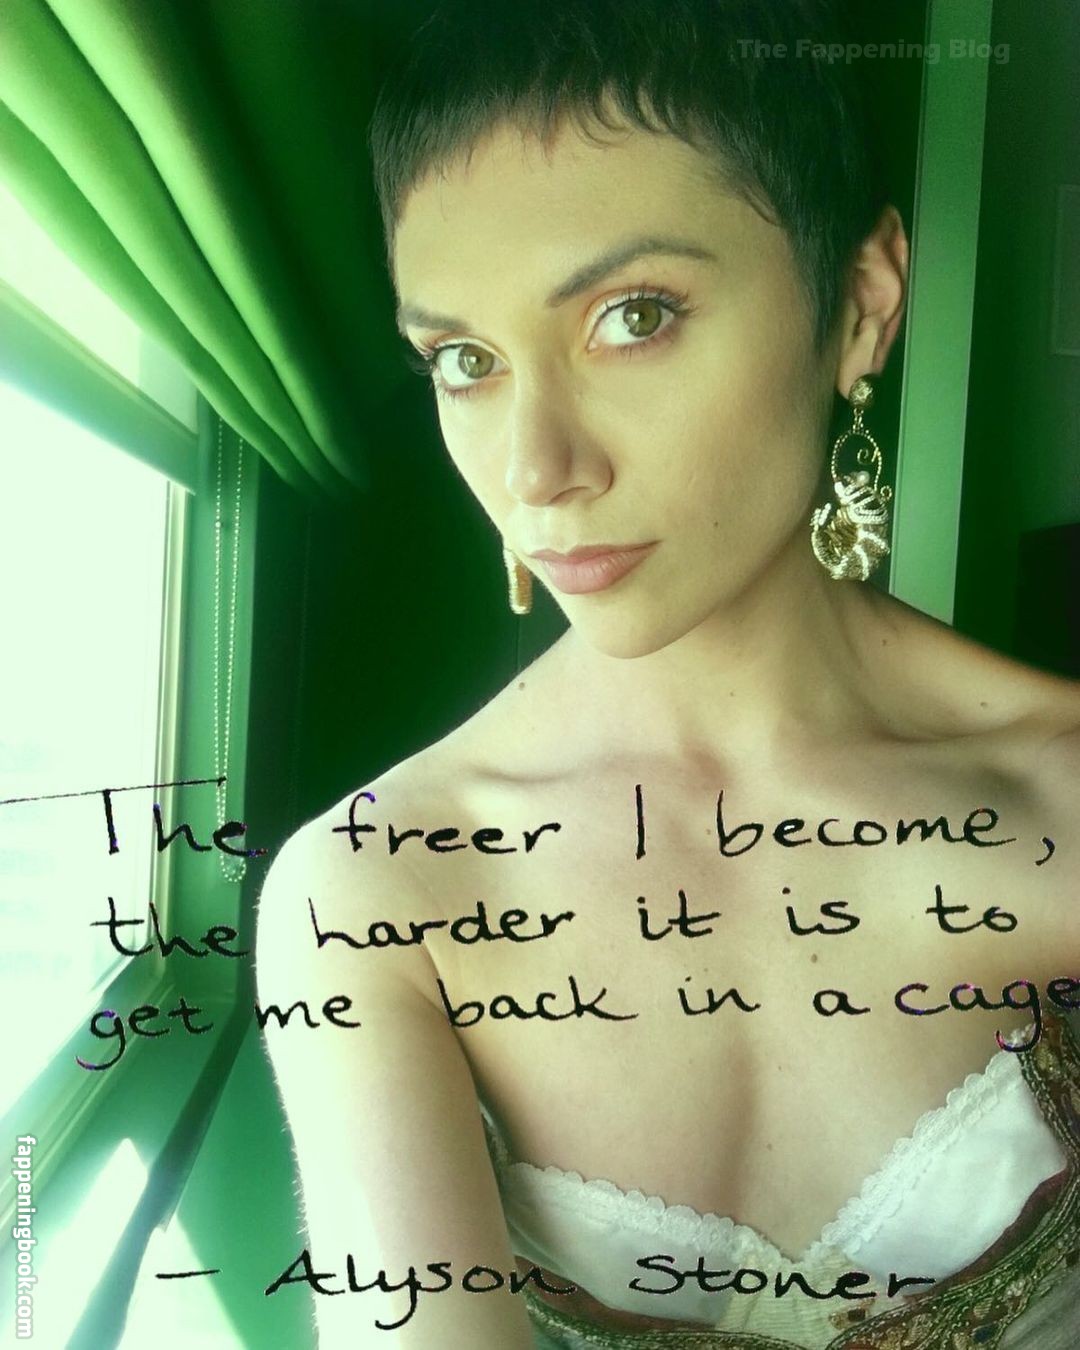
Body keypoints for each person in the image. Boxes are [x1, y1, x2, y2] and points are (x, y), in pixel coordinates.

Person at [255, 2, 1080, 1346]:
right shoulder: (375, 889)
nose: (535, 468)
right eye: (465, 360)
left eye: (633, 317)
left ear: (860, 305)